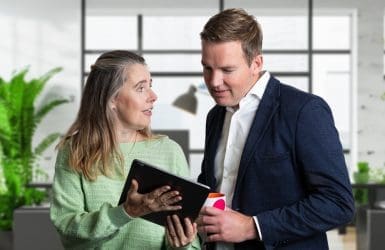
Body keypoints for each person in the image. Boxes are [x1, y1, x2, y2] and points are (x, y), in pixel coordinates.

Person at [197, 8, 354, 250]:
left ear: (256, 63)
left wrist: (253, 226)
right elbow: (214, 185)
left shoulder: (304, 111)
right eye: (207, 68)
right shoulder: (215, 116)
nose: (214, 82)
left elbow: (338, 204)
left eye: (227, 70)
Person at [50, 50, 200, 250]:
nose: (153, 96)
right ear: (112, 99)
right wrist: (126, 212)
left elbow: (190, 242)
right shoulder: (74, 151)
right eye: (141, 88)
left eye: (151, 86)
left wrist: (182, 245)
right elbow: (68, 231)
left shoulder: (169, 151)